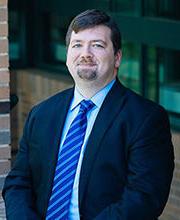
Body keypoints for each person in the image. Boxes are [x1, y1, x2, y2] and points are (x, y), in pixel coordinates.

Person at [3, 9, 174, 220]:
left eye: (97, 45)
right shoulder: (42, 113)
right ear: (67, 55)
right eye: (77, 45)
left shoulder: (145, 118)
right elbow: (19, 181)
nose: (85, 53)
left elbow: (144, 197)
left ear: (117, 57)